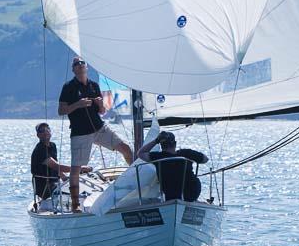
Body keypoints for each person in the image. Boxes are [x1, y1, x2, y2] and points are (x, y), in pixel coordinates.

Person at [58, 56, 133, 212]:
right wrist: (78, 104)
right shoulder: (68, 87)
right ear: (73, 69)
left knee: (126, 148)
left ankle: (136, 181)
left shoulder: (94, 85)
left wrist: (100, 105)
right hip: (80, 132)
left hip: (99, 128)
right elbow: (61, 110)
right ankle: (75, 204)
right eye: (76, 64)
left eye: (82, 63)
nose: (79, 66)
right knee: (76, 168)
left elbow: (102, 111)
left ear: (86, 67)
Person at [138, 131, 208, 202]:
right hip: (191, 194)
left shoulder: (158, 157)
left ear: (161, 145)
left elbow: (140, 153)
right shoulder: (186, 153)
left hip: (171, 196)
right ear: (175, 144)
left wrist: (156, 141)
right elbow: (205, 159)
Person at [30, 122, 90, 206]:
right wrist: (80, 169)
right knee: (75, 194)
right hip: (45, 188)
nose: (45, 131)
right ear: (38, 135)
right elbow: (56, 166)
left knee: (80, 186)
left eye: (47, 129)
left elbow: (56, 168)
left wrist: (65, 178)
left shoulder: (52, 146)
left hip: (55, 183)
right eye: (42, 130)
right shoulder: (40, 150)